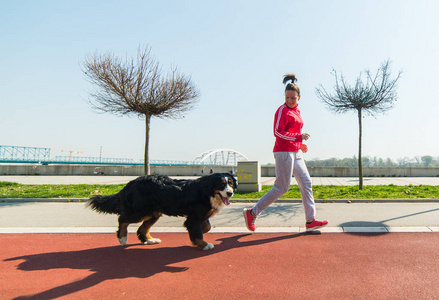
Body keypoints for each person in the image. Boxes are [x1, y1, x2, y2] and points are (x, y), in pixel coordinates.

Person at [243, 74, 328, 232]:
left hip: (296, 152)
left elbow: (293, 131)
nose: (290, 101)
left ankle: (310, 220)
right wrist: (298, 137)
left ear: (299, 97)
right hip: (283, 152)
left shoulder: (298, 112)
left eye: (293, 98)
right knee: (281, 187)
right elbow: (277, 132)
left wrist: (300, 143)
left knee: (306, 183)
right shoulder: (282, 110)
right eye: (287, 97)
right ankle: (252, 212)